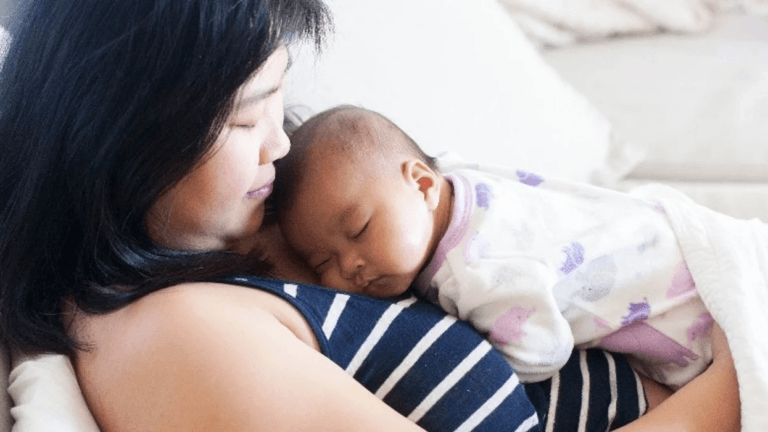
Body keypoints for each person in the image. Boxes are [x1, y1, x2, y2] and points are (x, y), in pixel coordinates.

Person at [0, 1, 738, 431]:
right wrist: (739, 371)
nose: (282, 142)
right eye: (245, 121)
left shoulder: (256, 225)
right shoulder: (172, 339)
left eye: (277, 103)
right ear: (117, 137)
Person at [275, 105, 741, 414]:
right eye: (322, 263)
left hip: (684, 308)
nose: (349, 266)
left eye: (359, 230)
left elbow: (543, 350)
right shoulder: (459, 179)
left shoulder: (471, 273)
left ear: (420, 183)